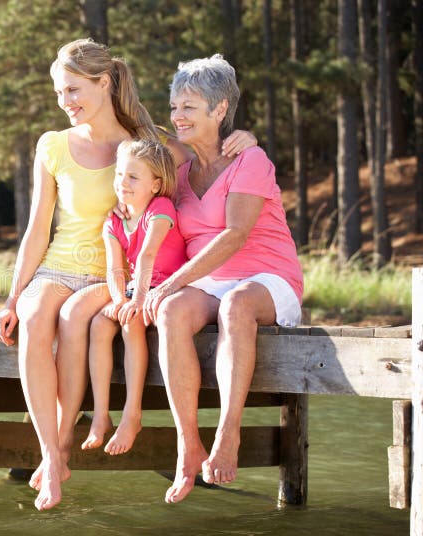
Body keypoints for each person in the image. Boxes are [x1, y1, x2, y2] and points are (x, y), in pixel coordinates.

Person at [0, 39, 255, 511]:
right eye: (58, 93)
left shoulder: (149, 145)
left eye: (73, 90)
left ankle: (64, 448)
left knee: (74, 318)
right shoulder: (52, 145)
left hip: (111, 277)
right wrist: (12, 297)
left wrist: (248, 140)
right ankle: (52, 456)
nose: (65, 102)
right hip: (57, 266)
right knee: (33, 320)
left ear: (103, 83)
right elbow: (36, 228)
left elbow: (210, 154)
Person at [140, 54, 304, 505]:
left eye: (189, 106)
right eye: (174, 106)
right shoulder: (180, 168)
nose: (177, 116)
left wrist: (172, 280)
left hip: (266, 278)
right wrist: (161, 288)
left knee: (236, 305)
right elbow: (130, 151)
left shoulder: (251, 159)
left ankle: (228, 432)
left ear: (219, 110)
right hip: (210, 282)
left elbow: (235, 235)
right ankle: (187, 442)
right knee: (170, 312)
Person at [80, 139, 186, 456]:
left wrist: (136, 301)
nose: (122, 183)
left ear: (156, 184)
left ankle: (132, 414)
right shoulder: (113, 221)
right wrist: (119, 299)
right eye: (119, 175)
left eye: (133, 177)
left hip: (169, 288)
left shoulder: (161, 210)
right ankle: (101, 415)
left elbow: (148, 256)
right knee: (100, 325)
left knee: (131, 325)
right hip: (133, 290)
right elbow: (115, 268)